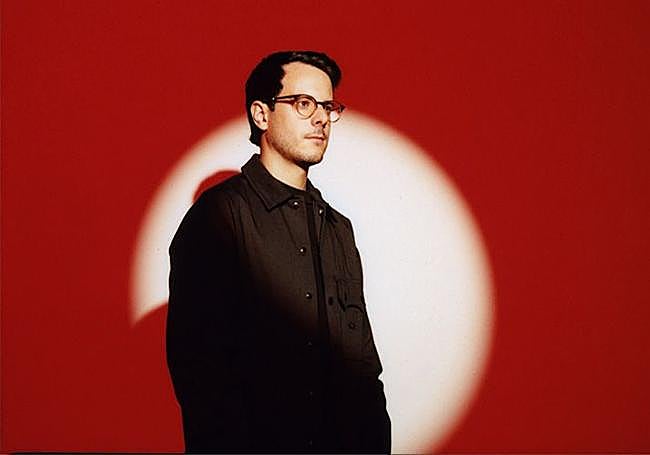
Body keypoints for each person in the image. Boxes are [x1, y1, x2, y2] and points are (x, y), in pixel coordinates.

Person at [166, 50, 391, 453]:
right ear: (261, 114)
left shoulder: (338, 229)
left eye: (327, 106)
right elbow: (200, 370)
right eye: (304, 103)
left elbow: (362, 369)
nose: (321, 118)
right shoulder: (219, 216)